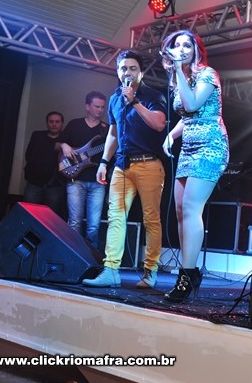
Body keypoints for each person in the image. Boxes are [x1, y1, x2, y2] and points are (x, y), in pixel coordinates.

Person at [82, 50, 167, 289]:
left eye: (132, 68)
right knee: (116, 217)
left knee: (151, 219)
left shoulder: (153, 95)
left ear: (140, 72)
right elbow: (113, 133)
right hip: (121, 165)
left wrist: (135, 102)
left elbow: (159, 124)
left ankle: (150, 271)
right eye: (123, 68)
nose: (127, 72)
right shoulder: (114, 99)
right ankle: (111, 270)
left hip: (149, 163)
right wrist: (103, 162)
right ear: (117, 72)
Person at [160, 30, 229, 304]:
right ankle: (191, 271)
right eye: (176, 45)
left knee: (191, 208)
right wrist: (171, 135)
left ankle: (186, 276)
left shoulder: (208, 75)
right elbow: (186, 116)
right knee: (180, 211)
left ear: (196, 50)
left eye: (186, 45)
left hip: (210, 146)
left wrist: (178, 69)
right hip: (188, 148)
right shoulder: (183, 78)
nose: (181, 49)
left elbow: (191, 104)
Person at [56, 92, 108, 250]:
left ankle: (91, 258)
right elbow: (56, 145)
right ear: (87, 106)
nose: (100, 110)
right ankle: (72, 254)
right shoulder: (75, 124)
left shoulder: (106, 129)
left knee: (94, 226)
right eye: (97, 106)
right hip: (75, 180)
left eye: (103, 107)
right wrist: (63, 145)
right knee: (74, 222)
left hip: (97, 182)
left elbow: (111, 151)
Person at [23, 111, 66, 218]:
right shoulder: (37, 136)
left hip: (55, 185)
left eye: (57, 122)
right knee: (29, 215)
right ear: (47, 123)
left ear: (62, 124)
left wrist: (62, 145)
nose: (54, 124)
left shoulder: (66, 139)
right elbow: (29, 155)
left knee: (50, 218)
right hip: (34, 183)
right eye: (51, 121)